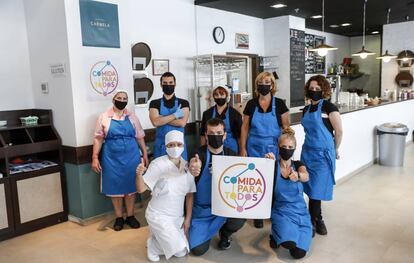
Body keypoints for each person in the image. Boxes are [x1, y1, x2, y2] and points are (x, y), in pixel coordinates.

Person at [136, 130, 201, 262]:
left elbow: (189, 195)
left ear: (183, 146)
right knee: (177, 248)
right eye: (171, 145)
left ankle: (155, 239)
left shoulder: (187, 166)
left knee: (181, 252)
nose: (175, 148)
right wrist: (138, 175)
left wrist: (187, 219)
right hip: (158, 214)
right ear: (166, 147)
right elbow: (141, 189)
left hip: (176, 217)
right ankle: (153, 247)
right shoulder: (158, 164)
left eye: (178, 144)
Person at [92, 90, 148, 231]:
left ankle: (130, 216)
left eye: (125, 98)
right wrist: (94, 157)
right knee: (115, 187)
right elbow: (98, 138)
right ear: (113, 99)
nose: (122, 100)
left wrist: (145, 155)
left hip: (131, 155)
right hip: (111, 157)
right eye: (119, 98)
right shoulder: (104, 117)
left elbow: (140, 136)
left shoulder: (133, 117)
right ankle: (118, 217)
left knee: (131, 187)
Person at [240, 71, 290, 228]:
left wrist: (286, 147)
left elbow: (286, 127)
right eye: (261, 82)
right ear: (257, 85)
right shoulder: (251, 104)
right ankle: (258, 213)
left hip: (273, 147)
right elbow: (245, 127)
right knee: (256, 181)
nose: (264, 85)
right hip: (253, 146)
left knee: (273, 180)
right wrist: (242, 148)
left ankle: (273, 211)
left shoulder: (280, 104)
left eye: (267, 82)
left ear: (272, 85)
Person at [189, 118, 246, 256]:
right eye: (212, 133)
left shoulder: (231, 155)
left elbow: (240, 183)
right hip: (203, 212)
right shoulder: (199, 155)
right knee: (197, 250)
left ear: (225, 135)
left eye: (219, 132)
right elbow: (193, 164)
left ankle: (225, 233)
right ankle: (204, 231)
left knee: (241, 215)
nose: (216, 136)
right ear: (206, 136)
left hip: (224, 208)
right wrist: (193, 168)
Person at [301, 75, 343, 236]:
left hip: (322, 155)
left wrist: (335, 149)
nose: (314, 91)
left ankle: (315, 221)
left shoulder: (329, 107)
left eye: (317, 89)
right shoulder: (306, 109)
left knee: (317, 190)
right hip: (308, 152)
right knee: (310, 188)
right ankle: (314, 219)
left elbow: (338, 131)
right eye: (311, 89)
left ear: (324, 90)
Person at [265, 128, 312, 259]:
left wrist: (298, 175)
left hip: (300, 212)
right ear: (278, 147)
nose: (287, 149)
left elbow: (306, 176)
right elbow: (258, 177)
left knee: (299, 254)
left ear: (295, 148)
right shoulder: (273, 166)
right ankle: (275, 233)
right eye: (284, 146)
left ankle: (299, 229)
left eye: (290, 147)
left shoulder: (298, 165)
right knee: (288, 243)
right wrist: (266, 163)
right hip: (281, 212)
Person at [149, 72, 190, 160]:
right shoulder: (154, 103)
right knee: (160, 171)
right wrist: (175, 115)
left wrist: (162, 118)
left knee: (180, 172)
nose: (168, 85)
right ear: (161, 84)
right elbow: (155, 122)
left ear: (175, 84)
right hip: (161, 145)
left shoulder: (183, 103)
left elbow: (182, 123)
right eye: (165, 83)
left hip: (178, 146)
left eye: (171, 83)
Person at [200, 86, 242, 153]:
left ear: (227, 96)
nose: (219, 97)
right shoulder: (207, 114)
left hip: (231, 149)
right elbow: (203, 135)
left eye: (222, 94)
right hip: (211, 149)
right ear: (213, 97)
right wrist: (202, 151)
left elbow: (239, 136)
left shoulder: (235, 114)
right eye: (216, 95)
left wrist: (241, 151)